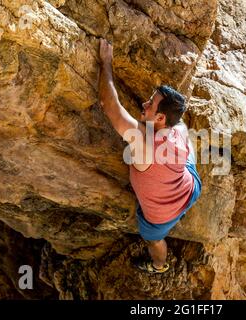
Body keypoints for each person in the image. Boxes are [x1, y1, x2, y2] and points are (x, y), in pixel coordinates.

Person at [98, 39, 202, 274]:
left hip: (161, 216)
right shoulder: (178, 130)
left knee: (153, 240)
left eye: (151, 104)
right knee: (185, 141)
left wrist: (106, 63)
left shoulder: (144, 146)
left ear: (161, 118)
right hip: (192, 185)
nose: (144, 104)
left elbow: (110, 106)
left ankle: (159, 265)